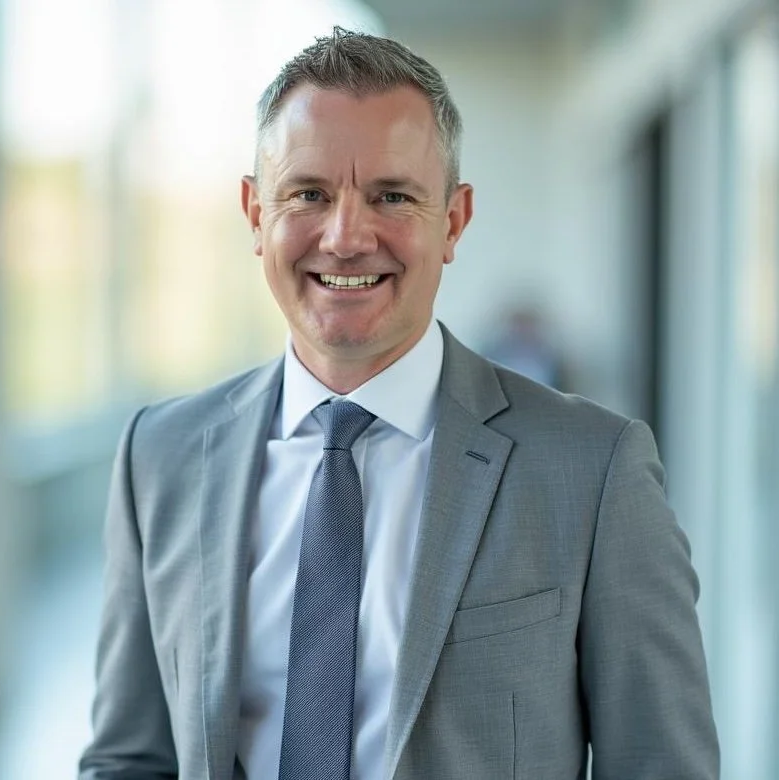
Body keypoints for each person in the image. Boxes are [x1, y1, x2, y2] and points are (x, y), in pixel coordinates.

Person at [79, 27, 719, 779]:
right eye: (309, 194)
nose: (346, 237)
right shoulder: (161, 457)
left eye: (391, 196)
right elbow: (130, 757)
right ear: (255, 214)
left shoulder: (592, 470)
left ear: (453, 221)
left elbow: (659, 763)